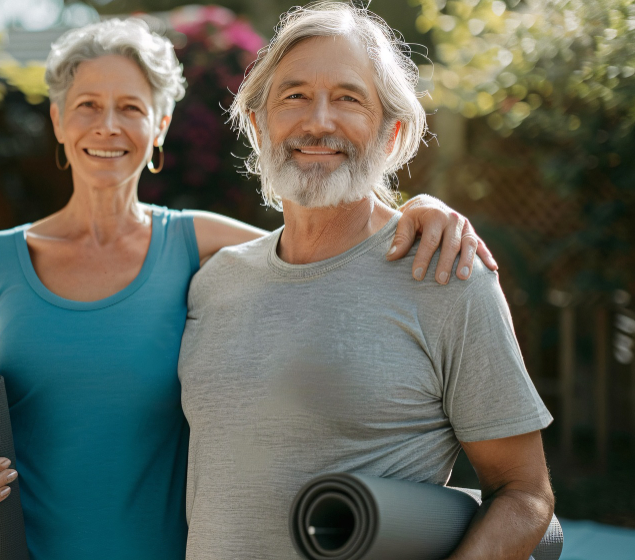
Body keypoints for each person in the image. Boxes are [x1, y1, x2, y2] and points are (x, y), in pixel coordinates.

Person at [0, 17, 497, 560]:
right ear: (58, 120)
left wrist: (424, 208)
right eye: (87, 105)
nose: (108, 126)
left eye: (130, 107)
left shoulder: (202, 248)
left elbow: (324, 230)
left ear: (159, 125)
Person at [177, 4, 555, 560]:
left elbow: (525, 495)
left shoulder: (447, 275)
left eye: (349, 98)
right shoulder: (214, 282)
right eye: (294, 96)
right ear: (258, 125)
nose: (319, 121)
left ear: (392, 132)